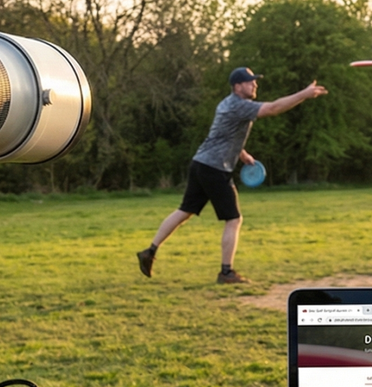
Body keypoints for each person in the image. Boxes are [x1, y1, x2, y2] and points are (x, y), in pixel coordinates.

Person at [137, 67, 327, 283]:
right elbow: (273, 108)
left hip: (201, 163)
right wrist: (304, 94)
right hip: (215, 168)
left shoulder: (226, 104)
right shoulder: (238, 105)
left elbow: (222, 135)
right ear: (238, 86)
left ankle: (149, 251)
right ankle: (226, 272)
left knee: (185, 210)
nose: (255, 84)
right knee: (234, 219)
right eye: (250, 82)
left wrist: (242, 154)